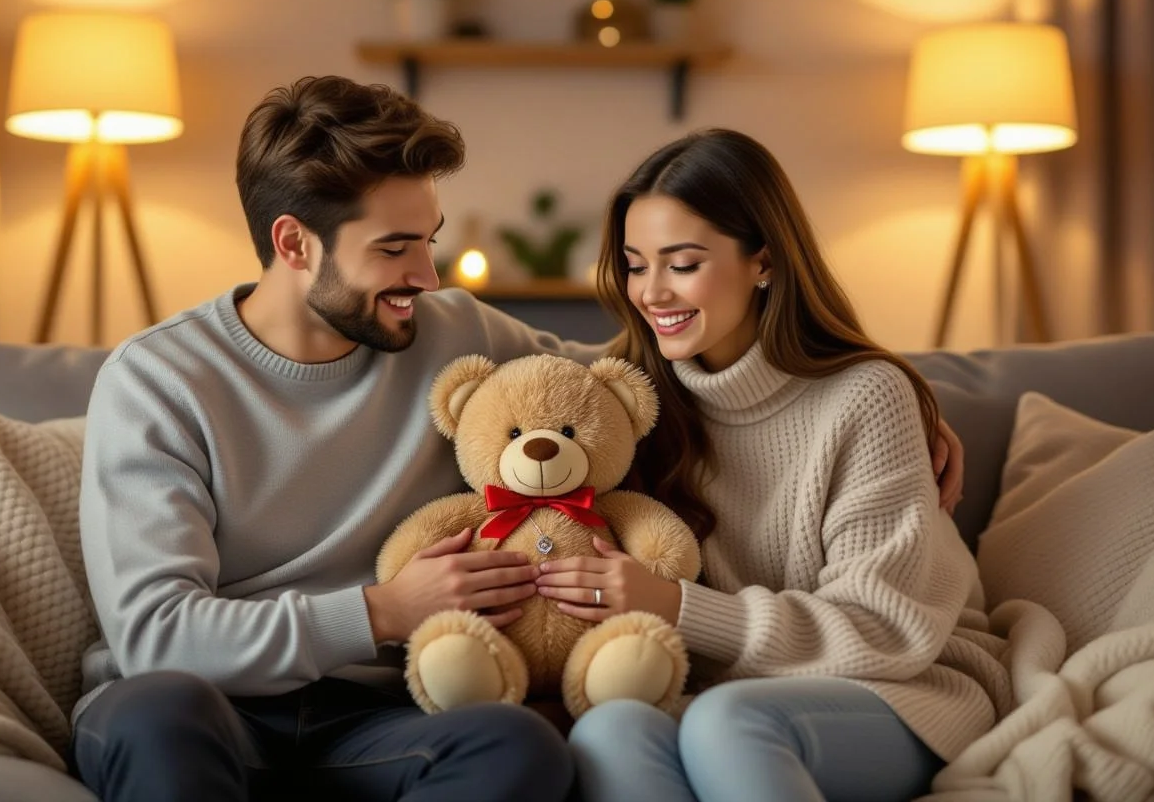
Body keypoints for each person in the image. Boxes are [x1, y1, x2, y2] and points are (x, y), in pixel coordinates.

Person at [69, 75, 599, 802]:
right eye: (394, 248)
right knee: (157, 715)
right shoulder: (158, 379)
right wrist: (384, 610)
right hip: (201, 711)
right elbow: (157, 637)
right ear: (294, 243)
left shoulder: (461, 333)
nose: (427, 275)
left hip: (373, 721)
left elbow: (619, 387)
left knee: (517, 745)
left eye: (429, 241)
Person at [539, 129, 1006, 802]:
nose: (653, 293)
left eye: (682, 263)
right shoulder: (629, 396)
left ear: (763, 261)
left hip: (902, 687)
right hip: (724, 695)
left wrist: (676, 606)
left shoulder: (867, 396)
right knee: (609, 730)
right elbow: (516, 376)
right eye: (637, 266)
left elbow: (883, 629)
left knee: (730, 723)